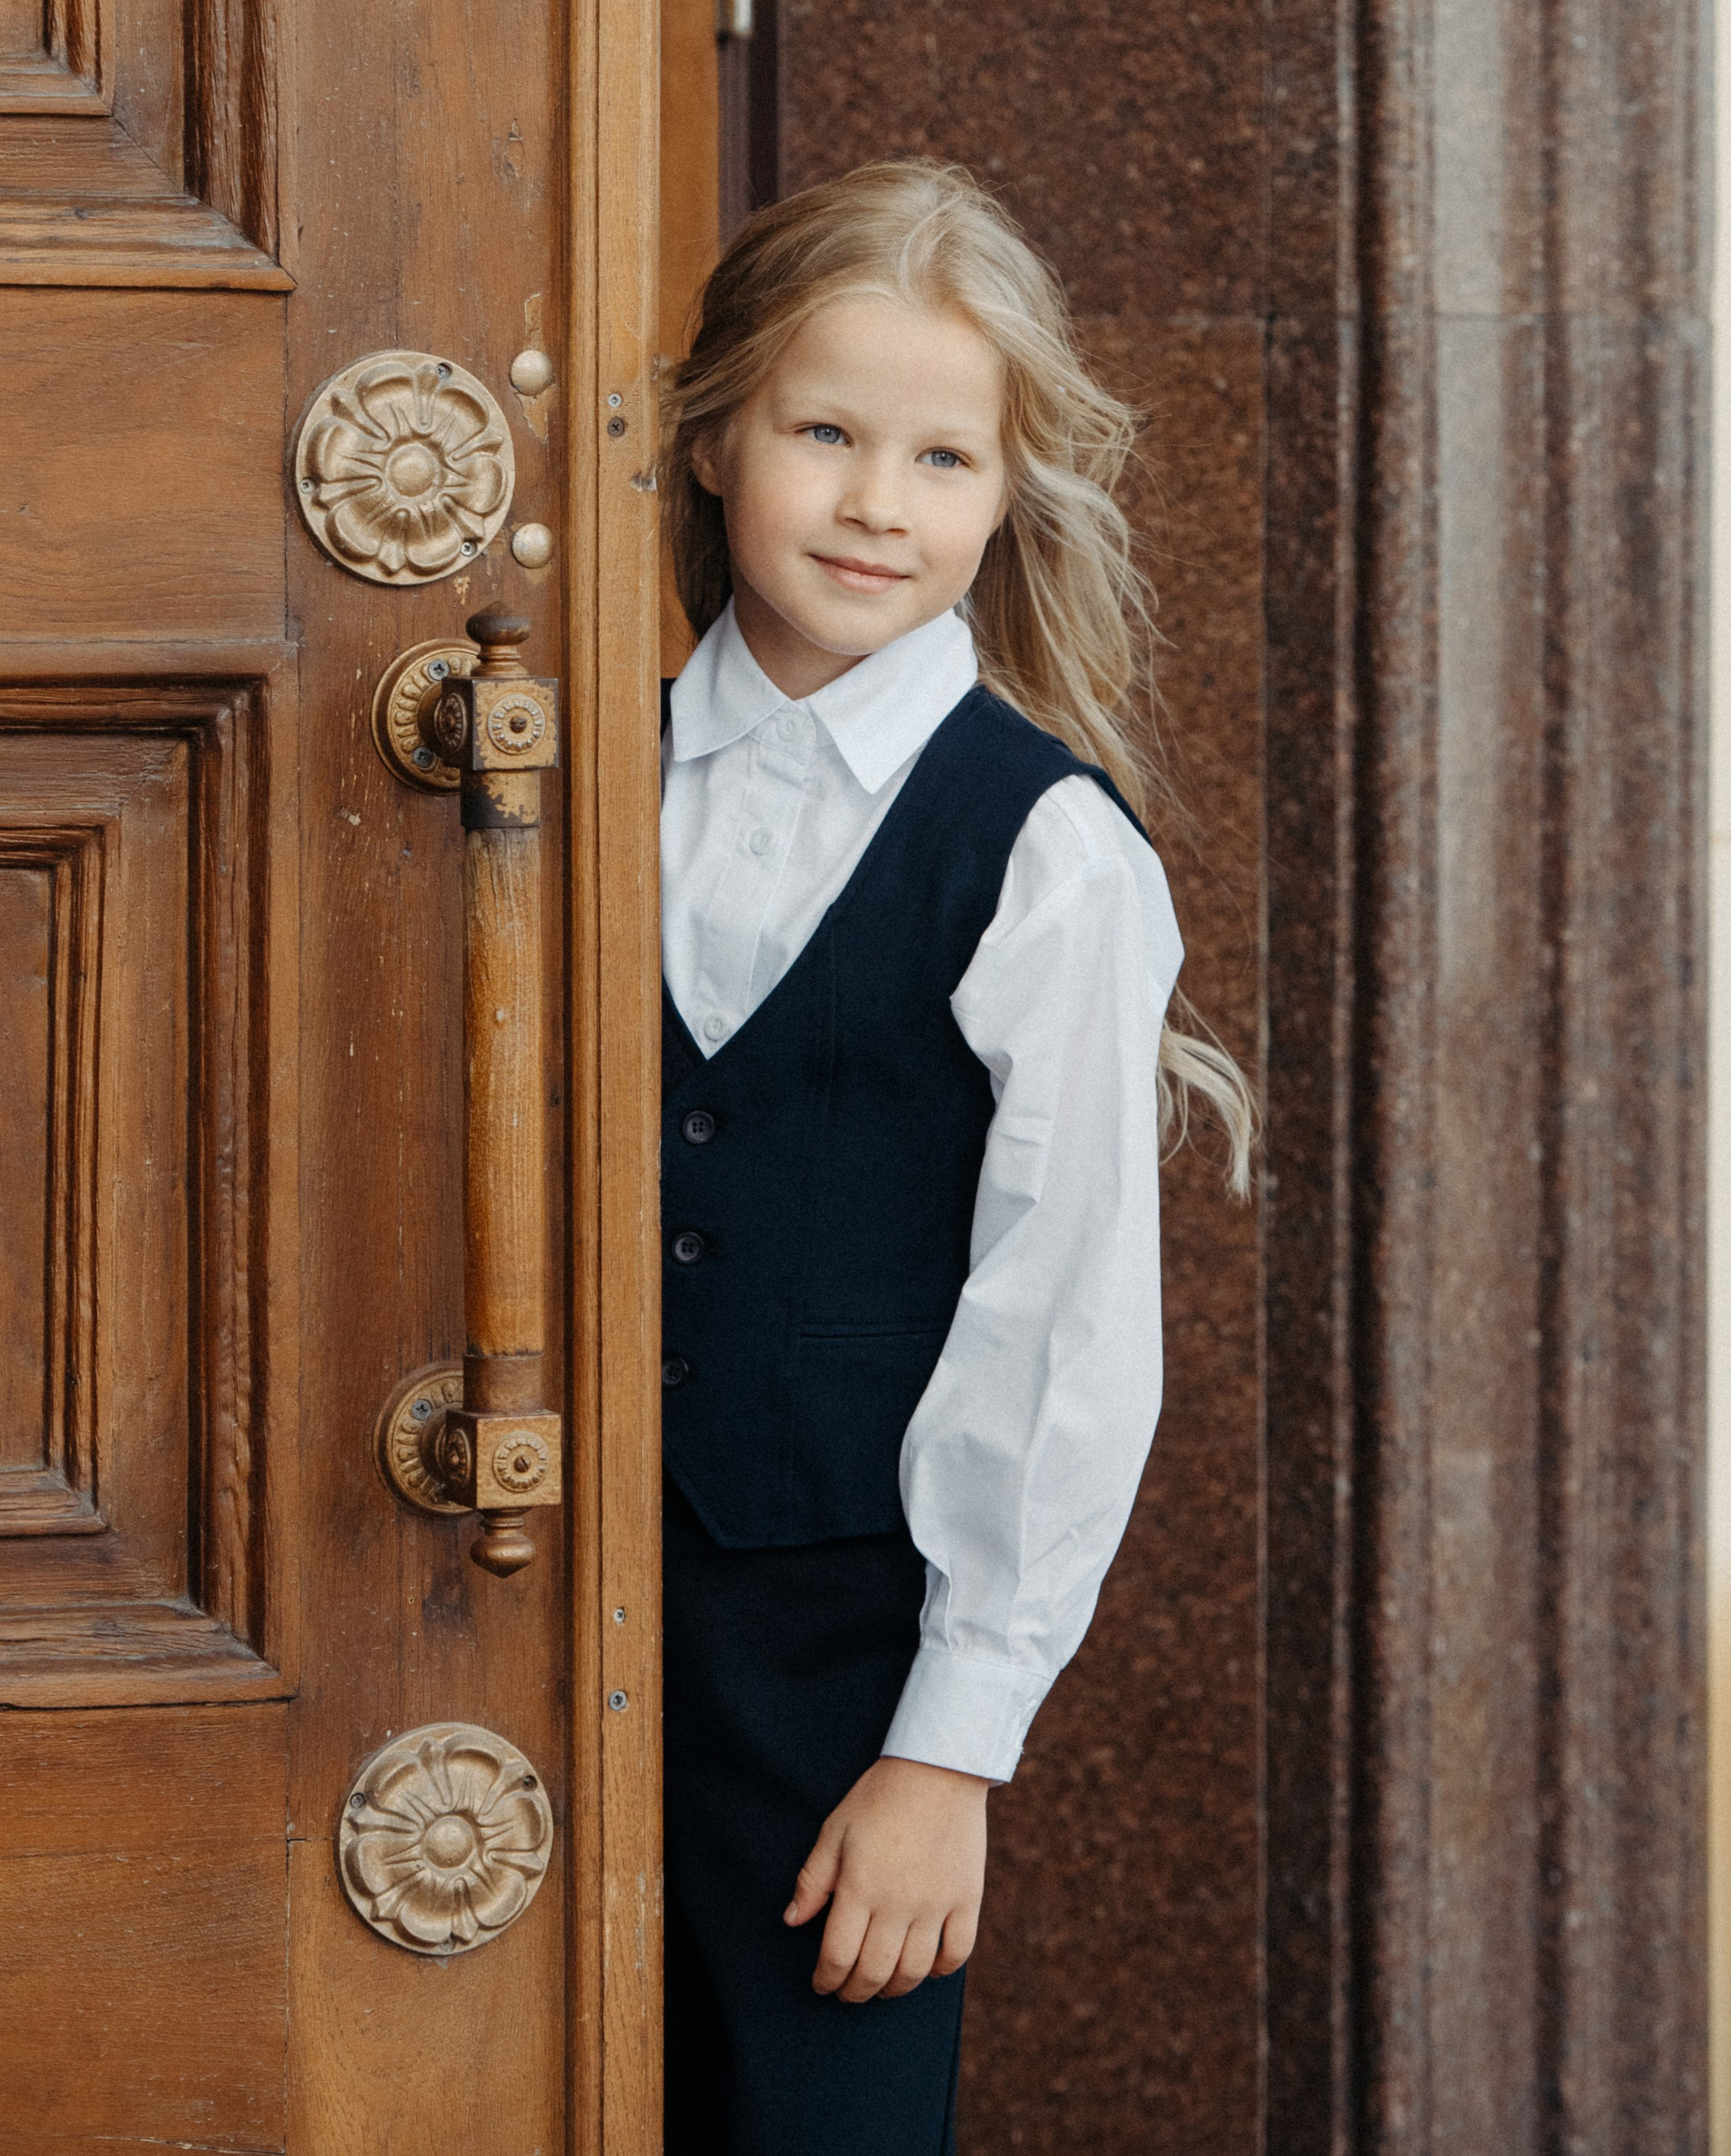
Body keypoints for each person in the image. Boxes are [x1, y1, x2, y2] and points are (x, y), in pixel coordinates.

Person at [656, 159, 1252, 2154]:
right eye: (824, 432)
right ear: (718, 431)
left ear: (1009, 496)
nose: (873, 502)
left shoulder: (1046, 849)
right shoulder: (563, 766)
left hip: (839, 1670)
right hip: (522, 1613)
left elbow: (1065, 1320)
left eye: (940, 455)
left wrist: (947, 1754)